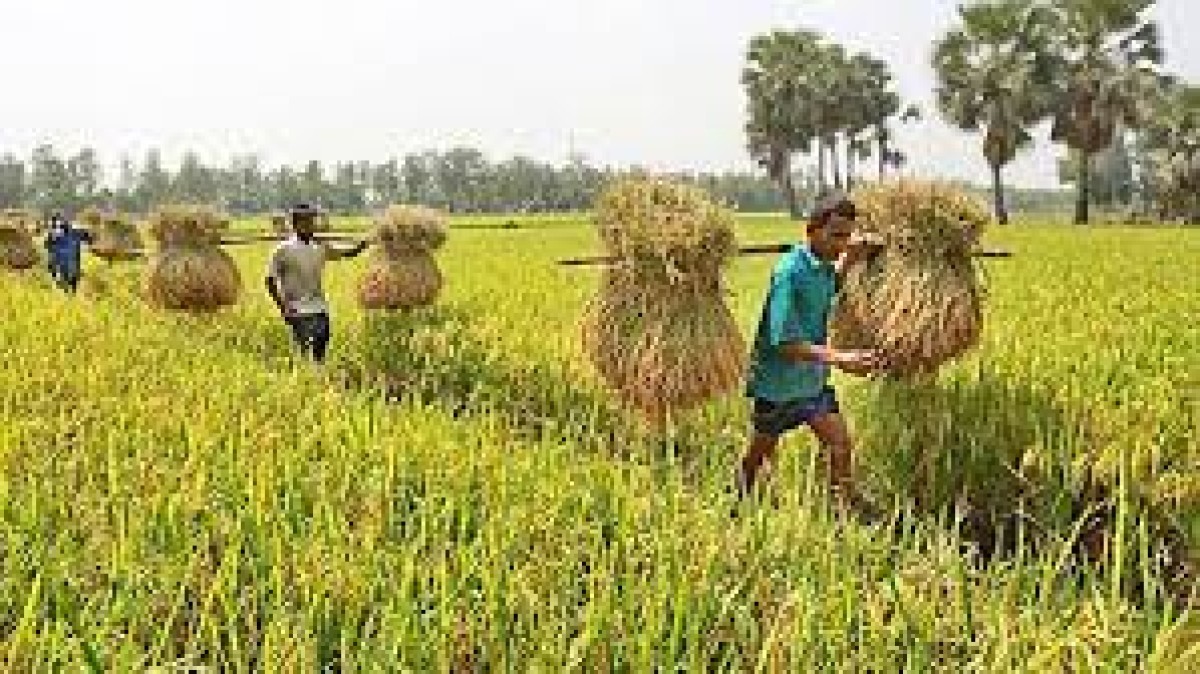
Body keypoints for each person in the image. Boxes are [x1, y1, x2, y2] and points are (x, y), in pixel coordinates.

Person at [737, 196, 884, 511]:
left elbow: (831, 286)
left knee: (840, 444)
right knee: (758, 457)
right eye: (836, 235)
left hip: (811, 384)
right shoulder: (789, 273)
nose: (843, 243)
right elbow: (783, 342)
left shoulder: (823, 268)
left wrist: (852, 259)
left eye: (847, 235)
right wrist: (841, 358)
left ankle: (841, 507)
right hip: (778, 386)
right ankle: (739, 500)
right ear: (811, 231)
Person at [265, 203, 370, 363]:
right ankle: (306, 381)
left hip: (319, 308)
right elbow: (270, 280)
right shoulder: (282, 250)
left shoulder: (320, 247)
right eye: (306, 221)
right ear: (295, 224)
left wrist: (364, 244)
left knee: (321, 350)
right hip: (297, 310)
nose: (311, 225)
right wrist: (283, 307)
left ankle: (316, 378)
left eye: (312, 221)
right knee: (305, 352)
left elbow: (348, 252)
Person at [44, 211, 94, 294]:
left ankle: (70, 293)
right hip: (62, 266)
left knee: (71, 282)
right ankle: (68, 293)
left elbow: (89, 238)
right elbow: (48, 247)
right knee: (66, 283)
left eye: (62, 221)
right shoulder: (53, 235)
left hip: (70, 264)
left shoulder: (75, 232)